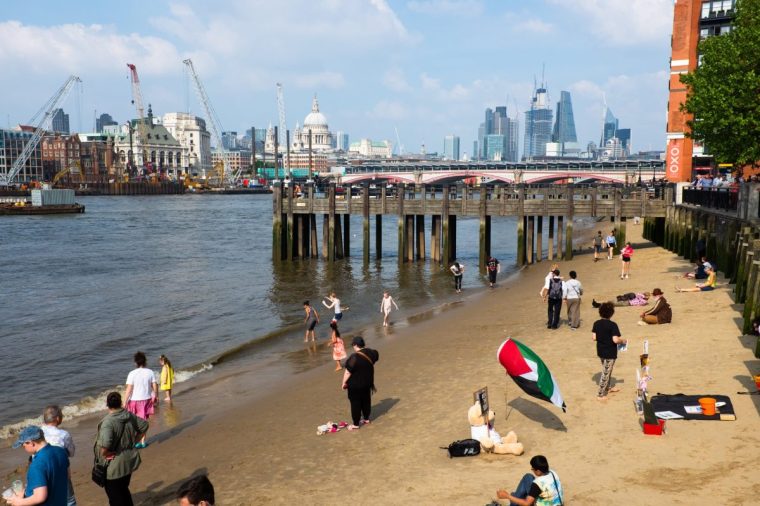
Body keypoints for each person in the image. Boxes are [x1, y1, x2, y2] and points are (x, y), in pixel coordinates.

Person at [95, 392, 148, 506]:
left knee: (115, 498)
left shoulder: (108, 422)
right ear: (120, 403)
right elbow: (144, 425)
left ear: (107, 404)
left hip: (114, 466)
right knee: (124, 490)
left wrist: (106, 453)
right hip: (129, 460)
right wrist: (134, 441)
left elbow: (105, 445)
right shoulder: (128, 415)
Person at [8, 426, 69, 506]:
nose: (24, 448)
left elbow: (40, 497)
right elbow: (67, 475)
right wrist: (27, 491)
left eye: (23, 445)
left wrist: (19, 502)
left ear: (31, 443)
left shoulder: (36, 465)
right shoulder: (60, 451)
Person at [40, 405, 77, 506]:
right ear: (57, 419)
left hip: (42, 470)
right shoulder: (63, 434)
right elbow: (71, 453)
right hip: (60, 469)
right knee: (69, 500)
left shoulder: (38, 432)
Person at [341, 336, 379, 430]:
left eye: (353, 345)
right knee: (366, 400)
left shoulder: (354, 356)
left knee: (355, 403)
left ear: (355, 345)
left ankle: (356, 424)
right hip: (368, 383)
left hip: (355, 385)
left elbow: (348, 372)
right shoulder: (372, 352)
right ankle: (366, 419)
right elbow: (376, 356)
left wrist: (343, 383)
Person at [495, 455, 563, 506]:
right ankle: (515, 498)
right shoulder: (553, 473)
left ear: (538, 471)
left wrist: (507, 496)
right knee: (528, 477)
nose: (532, 470)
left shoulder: (538, 483)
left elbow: (527, 503)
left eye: (533, 469)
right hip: (557, 503)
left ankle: (513, 501)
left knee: (514, 496)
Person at [592, 302, 627, 400]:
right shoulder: (612, 325)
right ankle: (600, 394)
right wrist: (623, 341)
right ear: (611, 313)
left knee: (607, 369)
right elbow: (615, 340)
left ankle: (608, 387)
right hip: (610, 352)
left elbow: (594, 338)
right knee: (606, 372)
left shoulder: (596, 323)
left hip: (600, 350)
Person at [124, 351, 157, 448]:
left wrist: (124, 402)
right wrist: (156, 396)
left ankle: (137, 442)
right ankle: (142, 441)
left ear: (135, 362)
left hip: (134, 401)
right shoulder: (150, 372)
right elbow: (154, 385)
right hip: (146, 400)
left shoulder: (132, 373)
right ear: (145, 361)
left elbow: (129, 389)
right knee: (144, 422)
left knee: (134, 422)